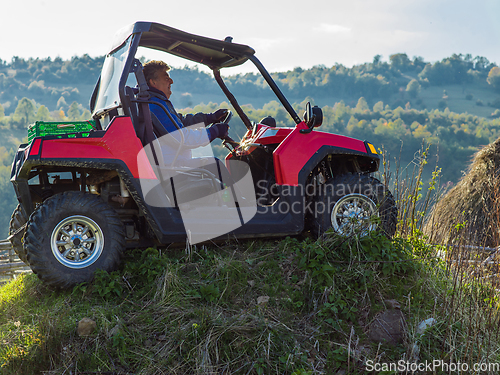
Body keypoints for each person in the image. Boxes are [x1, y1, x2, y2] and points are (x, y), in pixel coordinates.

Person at [143, 60, 229, 164]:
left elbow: (181, 122)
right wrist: (213, 132)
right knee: (215, 165)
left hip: (172, 164)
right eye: (166, 78)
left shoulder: (154, 103)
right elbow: (181, 138)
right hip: (171, 168)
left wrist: (210, 118)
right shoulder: (155, 106)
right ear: (153, 82)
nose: (171, 81)